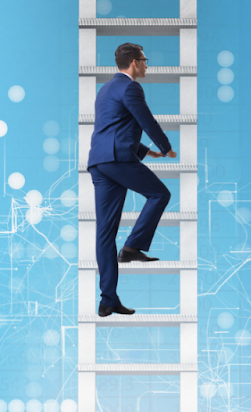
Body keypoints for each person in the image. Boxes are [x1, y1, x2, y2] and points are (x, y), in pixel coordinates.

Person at [88, 41, 175, 318]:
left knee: (104, 234)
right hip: (116, 160)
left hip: (100, 162)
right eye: (145, 60)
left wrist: (143, 150)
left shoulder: (105, 89)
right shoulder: (131, 87)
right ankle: (132, 246)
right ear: (135, 63)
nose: (147, 65)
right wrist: (164, 146)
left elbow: (112, 126)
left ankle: (108, 301)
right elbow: (146, 119)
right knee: (160, 194)